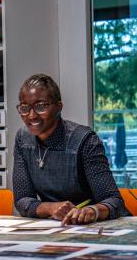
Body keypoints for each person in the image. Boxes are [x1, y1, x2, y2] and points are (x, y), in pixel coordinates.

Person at [13, 73, 127, 225]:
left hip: (95, 227)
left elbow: (114, 201)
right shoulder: (22, 138)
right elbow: (22, 200)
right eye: (24, 108)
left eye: (41, 106)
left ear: (59, 107)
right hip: (54, 227)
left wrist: (93, 211)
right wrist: (50, 208)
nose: (32, 115)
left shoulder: (85, 140)